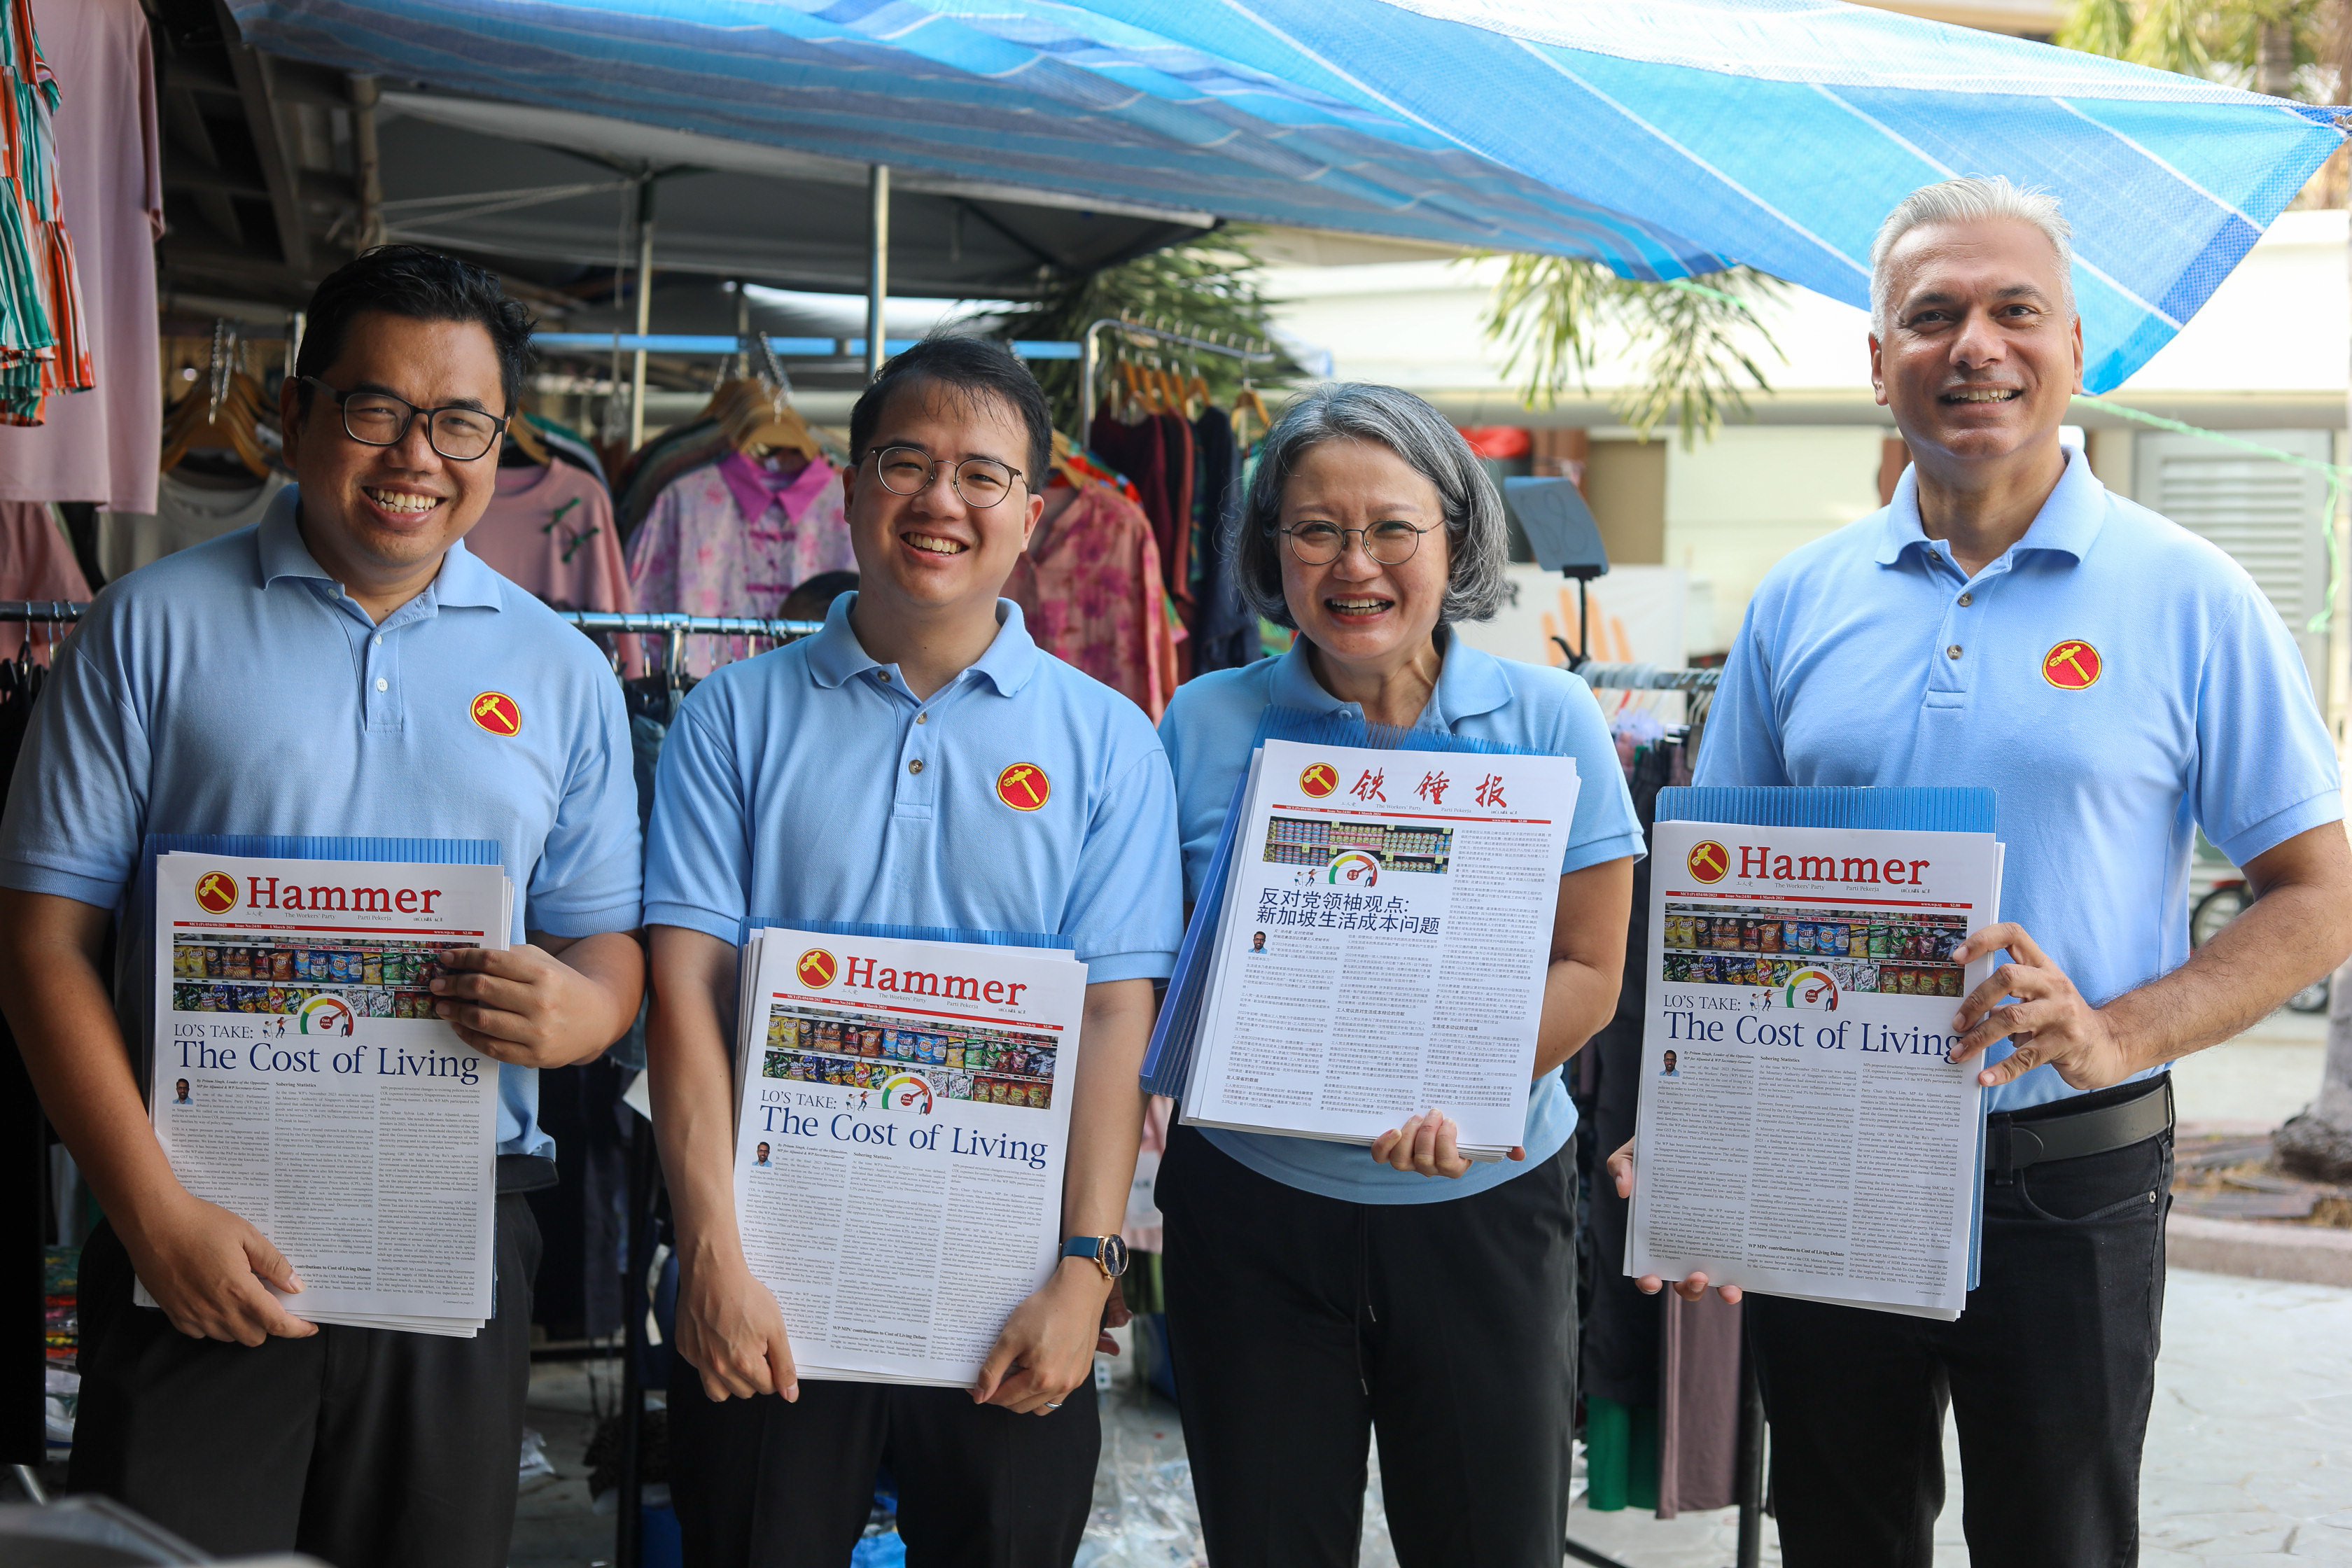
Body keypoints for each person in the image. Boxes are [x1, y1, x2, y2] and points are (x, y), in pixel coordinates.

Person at [1615, 176, 2352, 1567]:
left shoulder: (2189, 594)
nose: (1975, 346)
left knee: (2059, 1540)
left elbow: (2322, 892)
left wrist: (2116, 1028)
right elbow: (1718, 896)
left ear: (2077, 345)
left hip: (2071, 1169)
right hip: (1829, 1150)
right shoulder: (1801, 600)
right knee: (1839, 1532)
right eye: (1931, 314)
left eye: (2016, 310)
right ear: (1878, 357)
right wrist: (1699, 1122)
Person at [0, 245, 646, 1567]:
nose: (418, 453)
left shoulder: (563, 670)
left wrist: (584, 1014)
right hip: (196, 1233)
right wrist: (149, 1217)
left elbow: (610, 947)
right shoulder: (143, 628)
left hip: (457, 1230)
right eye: (374, 408)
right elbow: (40, 947)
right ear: (295, 417)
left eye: (459, 420)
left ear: (499, 441)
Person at [643, 335, 1183, 1567]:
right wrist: (712, 1255)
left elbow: (1114, 1020)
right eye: (909, 463)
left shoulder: (1110, 743)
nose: (942, 500)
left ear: (1032, 515)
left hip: (1008, 1302)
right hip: (770, 1295)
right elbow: (686, 992)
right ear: (850, 483)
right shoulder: (732, 714)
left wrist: (1087, 1271)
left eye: (982, 476)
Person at [1155, 383, 1643, 1567]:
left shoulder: (1549, 718)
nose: (1352, 563)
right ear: (1271, 547)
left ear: (1457, 539)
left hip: (1483, 1203)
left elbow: (1591, 965)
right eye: (1314, 528)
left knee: (1490, 1541)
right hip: (1251, 1212)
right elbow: (1160, 968)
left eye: (1391, 528)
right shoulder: (1203, 721)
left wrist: (1466, 1089)